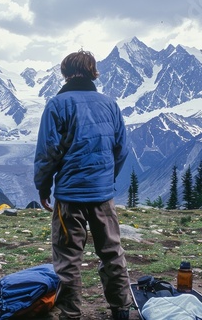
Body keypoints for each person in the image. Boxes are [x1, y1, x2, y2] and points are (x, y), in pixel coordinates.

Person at [34, 50, 132, 320]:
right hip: (103, 196)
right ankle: (121, 310)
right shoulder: (110, 104)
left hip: (70, 197)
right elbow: (122, 150)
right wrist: (105, 179)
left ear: (65, 73)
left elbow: (47, 152)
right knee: (112, 253)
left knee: (68, 260)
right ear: (93, 73)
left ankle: (70, 313)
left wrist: (43, 186)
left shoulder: (56, 105)